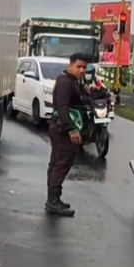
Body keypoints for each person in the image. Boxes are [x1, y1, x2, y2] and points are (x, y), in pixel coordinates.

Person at [45, 52, 91, 217]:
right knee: (61, 164)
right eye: (78, 67)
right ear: (70, 65)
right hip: (62, 130)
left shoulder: (70, 81)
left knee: (56, 163)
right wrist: (71, 129)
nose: (81, 70)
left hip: (59, 128)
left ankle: (54, 198)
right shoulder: (65, 83)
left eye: (84, 67)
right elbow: (62, 108)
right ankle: (53, 201)